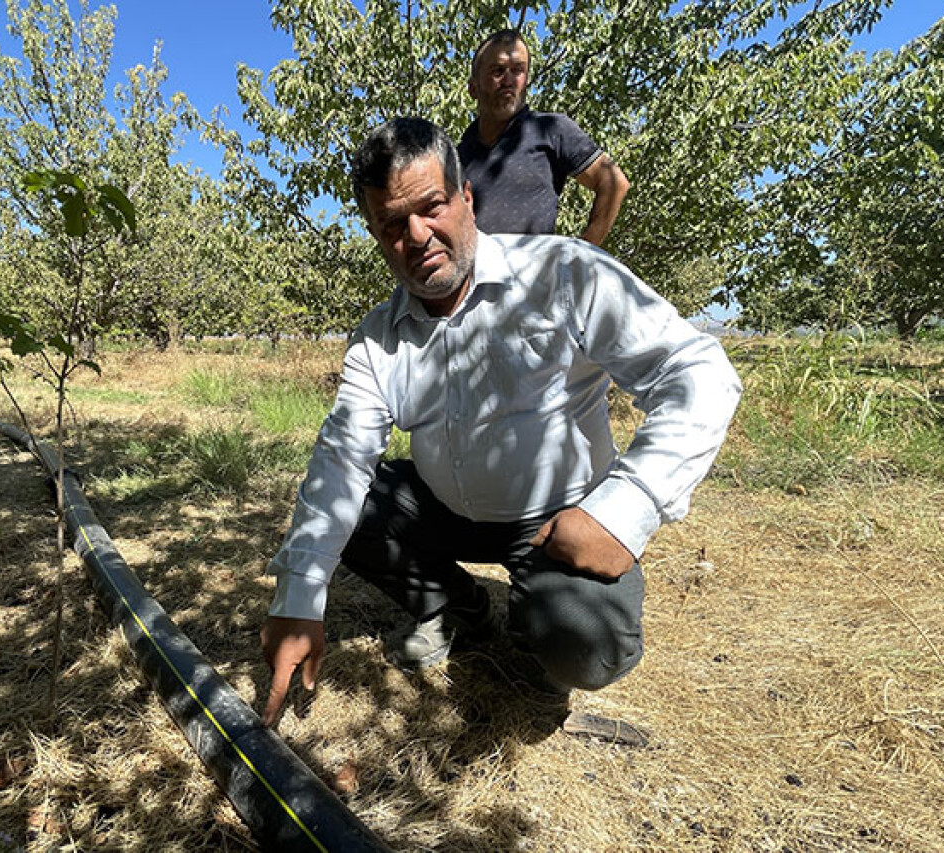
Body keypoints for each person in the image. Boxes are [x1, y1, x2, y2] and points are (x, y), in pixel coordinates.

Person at [259, 118, 740, 733]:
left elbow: (698, 371)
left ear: (466, 199)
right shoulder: (378, 339)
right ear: (377, 237)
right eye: (391, 226)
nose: (418, 236)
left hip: (559, 522)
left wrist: (627, 508)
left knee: (584, 643)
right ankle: (460, 610)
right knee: (352, 509)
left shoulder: (564, 273)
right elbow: (341, 458)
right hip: (447, 509)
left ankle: (541, 619)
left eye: (431, 206)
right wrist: (299, 596)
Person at [458, 28, 629, 245]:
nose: (508, 80)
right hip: (474, 277)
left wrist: (581, 254)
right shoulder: (456, 158)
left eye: (518, 70)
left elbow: (613, 182)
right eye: (498, 70)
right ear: (473, 88)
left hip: (535, 278)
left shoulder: (550, 129)